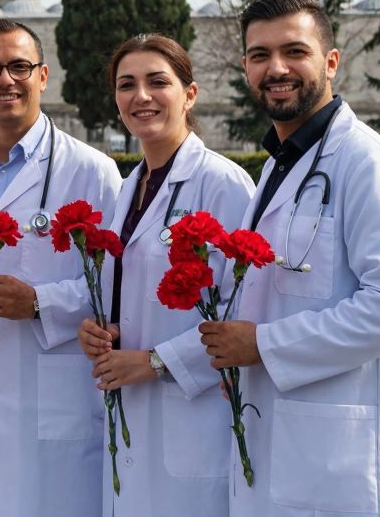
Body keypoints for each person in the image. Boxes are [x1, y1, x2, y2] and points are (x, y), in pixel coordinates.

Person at [197, 0, 380, 516]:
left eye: (294, 52)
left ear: (330, 61)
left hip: (343, 468)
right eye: (260, 56)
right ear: (245, 68)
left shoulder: (368, 163)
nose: (276, 68)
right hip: (278, 441)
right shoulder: (280, 166)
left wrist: (265, 343)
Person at [0, 18, 121, 517]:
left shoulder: (90, 170)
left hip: (55, 395)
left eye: (19, 67)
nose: (5, 81)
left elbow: (116, 283)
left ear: (43, 76)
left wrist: (40, 303)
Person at [74, 34, 254, 516]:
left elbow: (243, 314)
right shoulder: (128, 187)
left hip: (193, 415)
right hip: (128, 409)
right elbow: (129, 290)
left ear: (189, 94)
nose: (142, 96)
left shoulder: (222, 185)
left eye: (158, 82)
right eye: (126, 85)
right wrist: (104, 330)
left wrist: (154, 362)